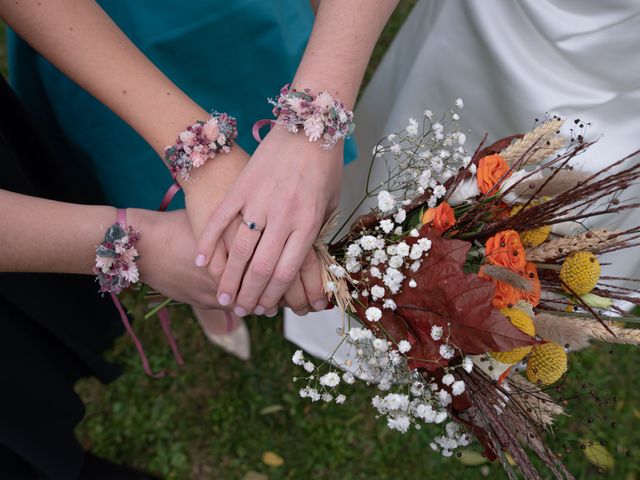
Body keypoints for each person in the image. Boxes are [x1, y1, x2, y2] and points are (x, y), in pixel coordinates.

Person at [8, 0, 399, 359]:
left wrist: (315, 116)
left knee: (289, 166)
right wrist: (197, 168)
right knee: (141, 169)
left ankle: (270, 250)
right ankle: (214, 273)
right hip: (98, 24)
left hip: (242, 15)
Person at [285, 0, 640, 362]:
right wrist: (314, 125)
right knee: (422, 133)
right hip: (492, 23)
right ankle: (336, 270)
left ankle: (475, 325)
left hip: (623, 48)